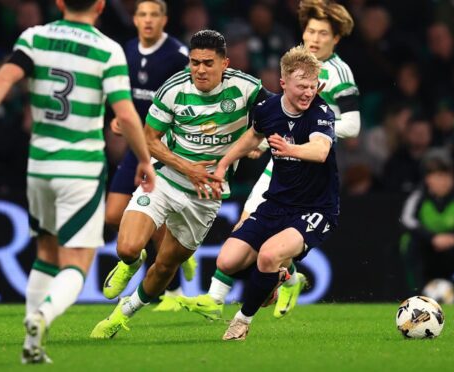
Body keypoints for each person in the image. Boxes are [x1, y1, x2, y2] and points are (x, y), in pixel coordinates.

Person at [0, 0, 156, 363]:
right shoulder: (107, 49)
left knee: (46, 254)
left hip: (39, 167)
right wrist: (144, 159)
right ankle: (43, 315)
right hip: (80, 168)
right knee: (77, 262)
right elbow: (125, 112)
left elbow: (3, 78)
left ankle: (32, 345)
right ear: (100, 5)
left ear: (60, 3)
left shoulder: (35, 38)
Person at [177, 0, 359, 321]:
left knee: (275, 242)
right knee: (248, 223)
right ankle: (215, 299)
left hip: (310, 164)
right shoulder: (295, 66)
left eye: (322, 33)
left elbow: (354, 125)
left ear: (336, 39)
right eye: (310, 30)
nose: (314, 38)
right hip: (281, 159)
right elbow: (268, 120)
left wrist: (313, 133)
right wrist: (271, 138)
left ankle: (282, 279)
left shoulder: (340, 72)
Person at [89, 29, 272, 339]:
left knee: (164, 267)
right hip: (166, 180)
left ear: (224, 64)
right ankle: (130, 263)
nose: (200, 70)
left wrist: (259, 145)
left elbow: (274, 122)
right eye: (194, 62)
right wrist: (189, 168)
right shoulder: (172, 89)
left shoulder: (248, 89)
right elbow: (150, 139)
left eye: (207, 63)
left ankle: (120, 316)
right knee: (127, 246)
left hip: (206, 197)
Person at [211, 45, 338, 340]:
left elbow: (320, 150)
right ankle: (275, 279)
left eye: (312, 86)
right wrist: (225, 162)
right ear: (283, 84)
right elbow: (253, 136)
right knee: (226, 262)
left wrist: (288, 148)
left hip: (315, 209)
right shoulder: (267, 110)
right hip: (276, 204)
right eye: (301, 86)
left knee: (268, 256)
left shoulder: (321, 113)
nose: (308, 93)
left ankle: (241, 322)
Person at [101, 0, 195, 313]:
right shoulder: (126, 50)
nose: (148, 20)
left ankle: (174, 292)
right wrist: (118, 117)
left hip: (161, 147)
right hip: (135, 145)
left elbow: (190, 99)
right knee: (113, 215)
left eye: (155, 14)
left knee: (153, 220)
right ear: (135, 18)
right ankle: (144, 254)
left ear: (164, 20)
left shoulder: (177, 56)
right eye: (143, 14)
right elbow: (121, 94)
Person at [399, 150, 454, 302]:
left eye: (447, 176)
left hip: (450, 252)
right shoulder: (418, 197)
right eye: (438, 176)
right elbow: (406, 220)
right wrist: (432, 238)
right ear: (427, 179)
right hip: (427, 252)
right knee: (409, 241)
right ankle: (417, 291)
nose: (443, 181)